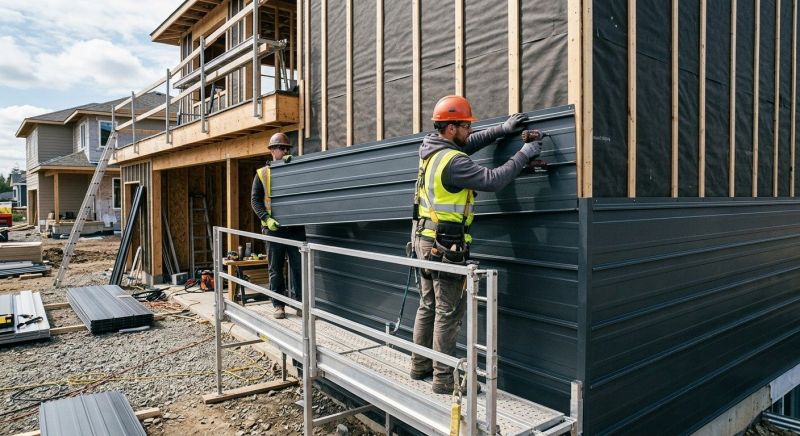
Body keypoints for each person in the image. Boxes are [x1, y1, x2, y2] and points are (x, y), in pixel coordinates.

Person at [410, 95, 542, 394]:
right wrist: (524, 153)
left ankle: (420, 365)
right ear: (451, 127)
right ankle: (444, 380)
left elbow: (470, 144)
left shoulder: (432, 150)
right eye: (466, 126)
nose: (470, 131)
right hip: (445, 243)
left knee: (428, 304)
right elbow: (494, 180)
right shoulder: (454, 163)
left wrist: (502, 129)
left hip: (423, 237)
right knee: (448, 310)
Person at [251, 132, 305, 319]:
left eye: (286, 148)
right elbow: (255, 200)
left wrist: (296, 167)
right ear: (272, 151)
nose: (284, 151)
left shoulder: (296, 170)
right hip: (274, 229)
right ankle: (278, 305)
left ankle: (300, 304)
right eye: (281, 148)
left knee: (299, 268)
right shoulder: (262, 173)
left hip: (296, 228)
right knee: (276, 268)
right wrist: (266, 218)